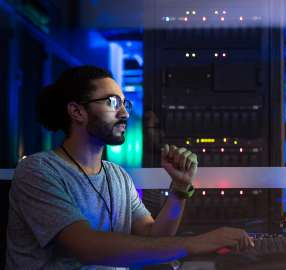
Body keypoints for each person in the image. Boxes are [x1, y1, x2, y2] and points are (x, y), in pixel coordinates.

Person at [5, 66, 253, 269]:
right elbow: (87, 247)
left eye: (125, 103)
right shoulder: (39, 172)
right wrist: (196, 243)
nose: (124, 113)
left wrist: (180, 187)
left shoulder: (117, 176)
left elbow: (154, 237)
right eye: (113, 102)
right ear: (77, 111)